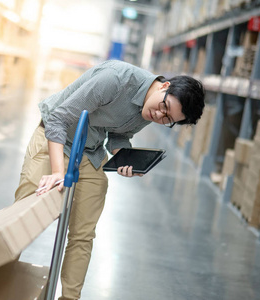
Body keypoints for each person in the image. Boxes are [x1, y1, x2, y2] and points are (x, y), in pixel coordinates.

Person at [14, 59, 205, 300]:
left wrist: (125, 157)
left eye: (168, 120)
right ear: (163, 86)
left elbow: (118, 134)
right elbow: (58, 119)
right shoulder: (115, 80)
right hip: (55, 139)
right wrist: (58, 171)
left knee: (83, 233)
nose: (159, 115)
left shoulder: (151, 109)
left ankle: (69, 298)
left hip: (90, 151)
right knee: (23, 217)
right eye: (164, 107)